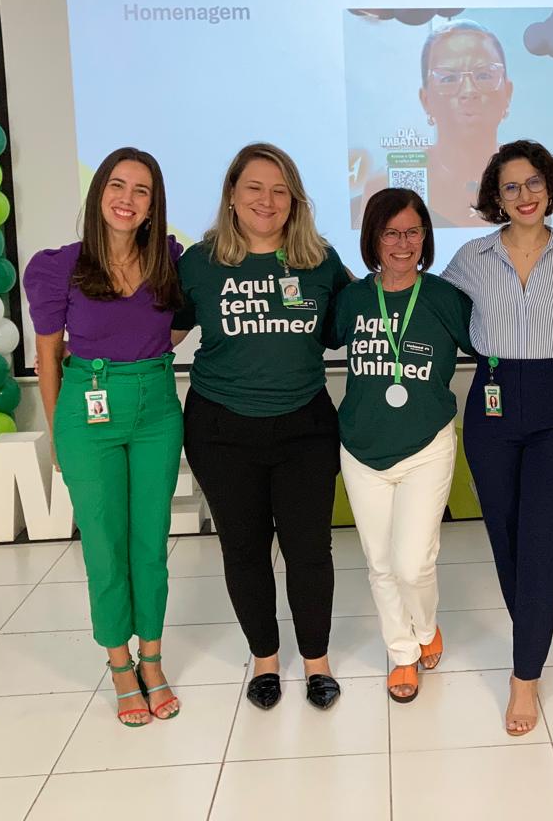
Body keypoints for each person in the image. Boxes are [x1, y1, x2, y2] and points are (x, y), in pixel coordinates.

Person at [174, 142, 351, 712]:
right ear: (232, 193)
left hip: (305, 427)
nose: (267, 200)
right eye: (254, 187)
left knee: (309, 550)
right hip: (220, 429)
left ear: (295, 200)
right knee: (244, 549)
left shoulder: (320, 261)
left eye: (280, 191)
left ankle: (317, 662)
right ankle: (266, 660)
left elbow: (368, 317)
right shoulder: (199, 264)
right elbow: (159, 335)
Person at [442, 139, 553, 736]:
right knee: (506, 537)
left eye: (534, 182)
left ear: (551, 186)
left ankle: (524, 675)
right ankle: (531, 631)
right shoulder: (471, 257)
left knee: (541, 538)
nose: (524, 195)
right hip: (491, 403)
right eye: (510, 186)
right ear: (496, 197)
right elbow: (442, 319)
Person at [24, 147, 184, 727]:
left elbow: (178, 322)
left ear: (152, 205)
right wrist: (57, 434)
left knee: (151, 540)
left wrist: (147, 352)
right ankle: (119, 663)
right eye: (117, 185)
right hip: (87, 413)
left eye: (141, 190)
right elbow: (47, 356)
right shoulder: (57, 267)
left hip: (157, 408)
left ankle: (152, 658)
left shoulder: (169, 259)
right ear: (98, 194)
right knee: (104, 543)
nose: (127, 198)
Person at [330, 189, 473, 703]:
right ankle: (402, 653)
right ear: (373, 238)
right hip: (361, 447)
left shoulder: (445, 298)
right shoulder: (352, 299)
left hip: (426, 444)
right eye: (390, 233)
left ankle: (426, 625)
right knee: (380, 563)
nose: (402, 243)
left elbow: (498, 343)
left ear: (425, 237)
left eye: (413, 232)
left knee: (413, 563)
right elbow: (309, 340)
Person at [353, 19, 553, 227]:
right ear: (426, 100)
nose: (468, 91)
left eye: (484, 75)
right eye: (449, 78)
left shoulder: (543, 173)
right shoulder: (389, 185)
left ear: (507, 93)